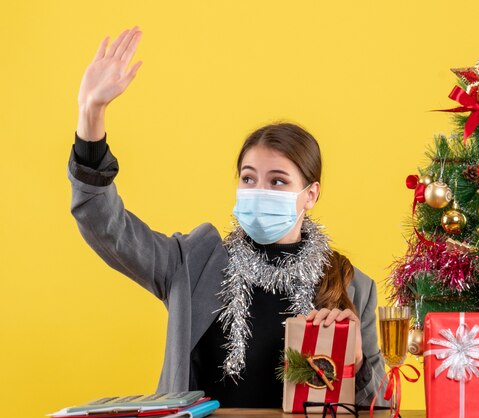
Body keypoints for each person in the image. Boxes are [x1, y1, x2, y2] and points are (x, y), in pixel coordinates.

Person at [67, 26, 386, 408]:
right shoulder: (194, 264)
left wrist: (359, 363)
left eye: (278, 181)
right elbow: (107, 226)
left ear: (310, 195)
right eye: (249, 178)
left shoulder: (352, 286)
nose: (258, 191)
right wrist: (91, 116)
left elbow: (380, 407)